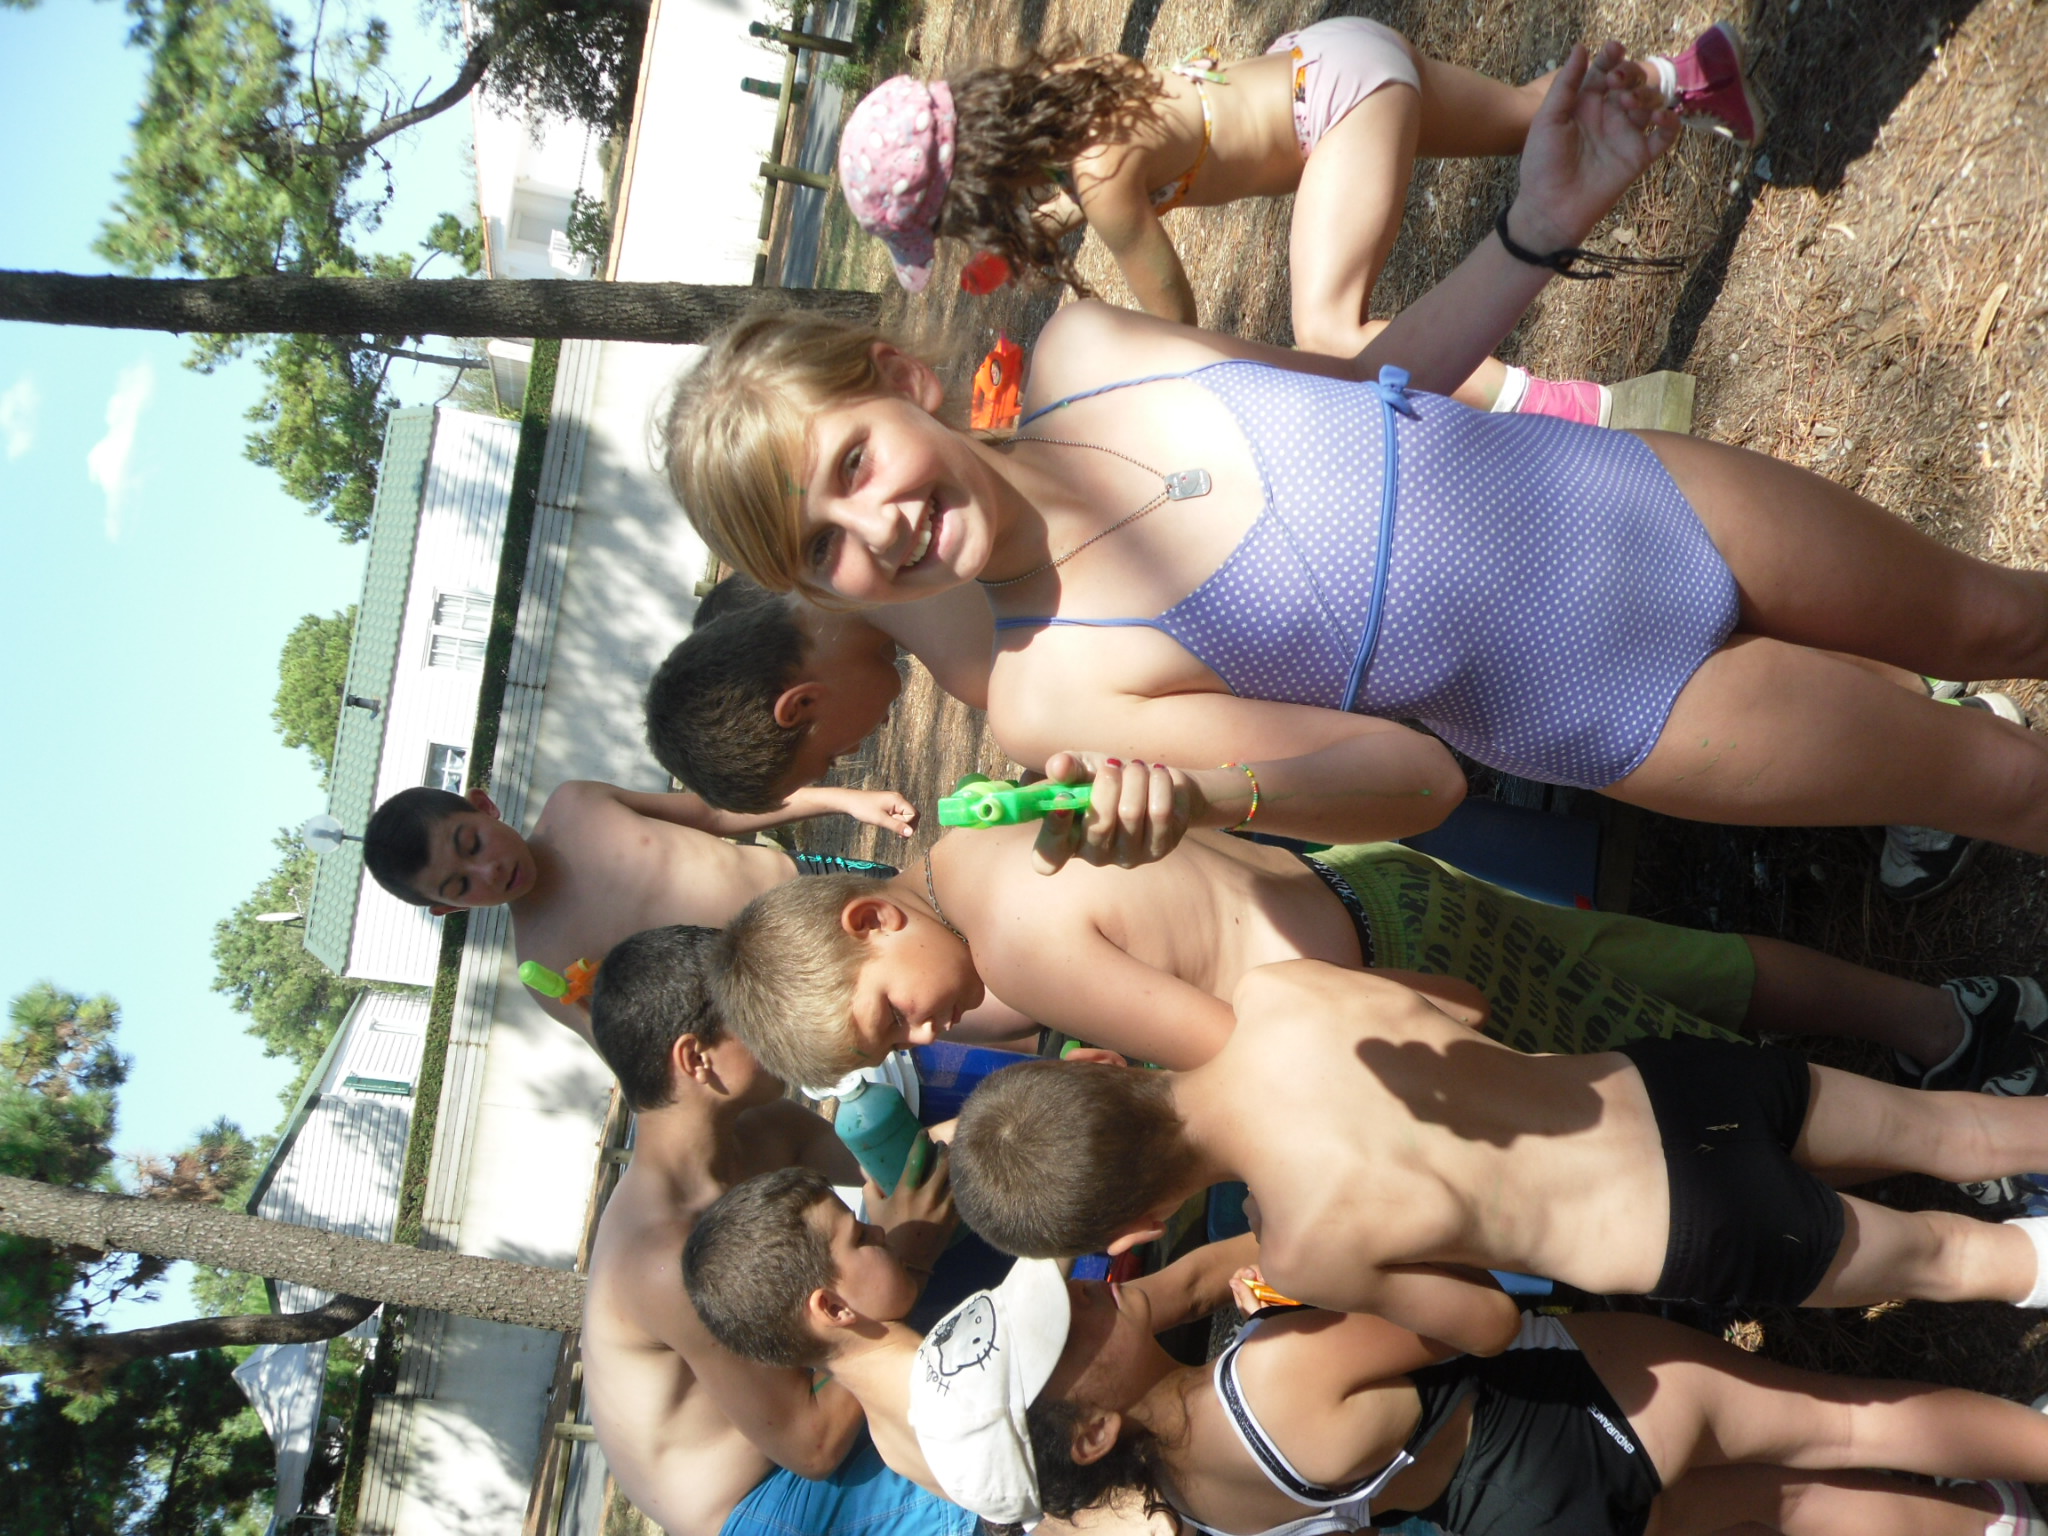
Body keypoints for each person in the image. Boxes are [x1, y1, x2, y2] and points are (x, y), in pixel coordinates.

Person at [663, 43, 2048, 879]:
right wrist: (1202, 799)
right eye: (824, 547)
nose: (879, 525)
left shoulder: (1087, 345)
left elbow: (1357, 389)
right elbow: (1416, 784)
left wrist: (1534, 225)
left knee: (2001, 616)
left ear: (903, 382)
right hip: (1615, 700)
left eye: (852, 463)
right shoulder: (1047, 690)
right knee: (2000, 786)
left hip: (1626, 499)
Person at [705, 838, 2048, 1206]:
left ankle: (1963, 1153)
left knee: (1676, 1089)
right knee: (1663, 965)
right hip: (1373, 885)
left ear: (869, 922)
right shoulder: (974, 842)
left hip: (1399, 980)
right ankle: (1946, 1022)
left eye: (889, 1021)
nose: (920, 1041)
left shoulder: (1022, 955)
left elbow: (1251, 1050)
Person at [946, 959, 2048, 1354]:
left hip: (1686, 1231)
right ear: (1098, 1064)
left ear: (1135, 1232)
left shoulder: (1307, 1246)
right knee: (1954, 1130)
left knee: (1955, 1261)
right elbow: (1463, 1004)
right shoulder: (1275, 996)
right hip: (1667, 1088)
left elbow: (1485, 1323)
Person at [839, 24, 1758, 418]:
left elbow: (1173, 311)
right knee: (1531, 113)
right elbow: (1131, 158)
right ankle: (1685, 76)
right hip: (1336, 58)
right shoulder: (1064, 95)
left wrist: (1147, 373)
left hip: (1337, 118)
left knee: (1329, 333)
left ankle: (1588, 414)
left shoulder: (1100, 178)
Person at [908, 1251, 2048, 1536]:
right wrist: (1297, 1264)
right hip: (1567, 1405)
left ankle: (1995, 1526)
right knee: (1836, 1420)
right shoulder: (1263, 1372)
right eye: (1070, 1330)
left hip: (1521, 1509)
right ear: (1091, 1430)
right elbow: (1465, 1308)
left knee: (1788, 1509)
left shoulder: (1197, 1506)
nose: (1090, 1295)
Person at [575, 923, 978, 1536]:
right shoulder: (668, 1255)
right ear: (696, 1058)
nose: (782, 1024)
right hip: (769, 1504)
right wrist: (908, 1260)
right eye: (755, 1015)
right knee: (1018, 1447)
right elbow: (811, 1444)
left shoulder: (761, 1127)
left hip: (830, 1415)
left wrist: (1027, 1111)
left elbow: (907, 1171)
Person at [681, 1162, 1251, 1527]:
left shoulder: (886, 1436)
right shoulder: (964, 1380)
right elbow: (1180, 1294)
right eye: (859, 1237)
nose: (879, 1229)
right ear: (833, 1309)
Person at [361, 775, 917, 1041]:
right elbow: (640, 1056)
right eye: (460, 886)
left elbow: (713, 812)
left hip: (819, 887)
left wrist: (841, 800)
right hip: (803, 996)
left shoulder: (577, 805)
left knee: (945, 916)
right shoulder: (547, 969)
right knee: (956, 1011)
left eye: (472, 843)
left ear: (483, 806)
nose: (487, 872)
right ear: (448, 910)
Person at [645, 575, 994, 813]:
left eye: (831, 756)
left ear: (802, 703)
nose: (854, 748)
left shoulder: (974, 664)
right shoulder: (861, 528)